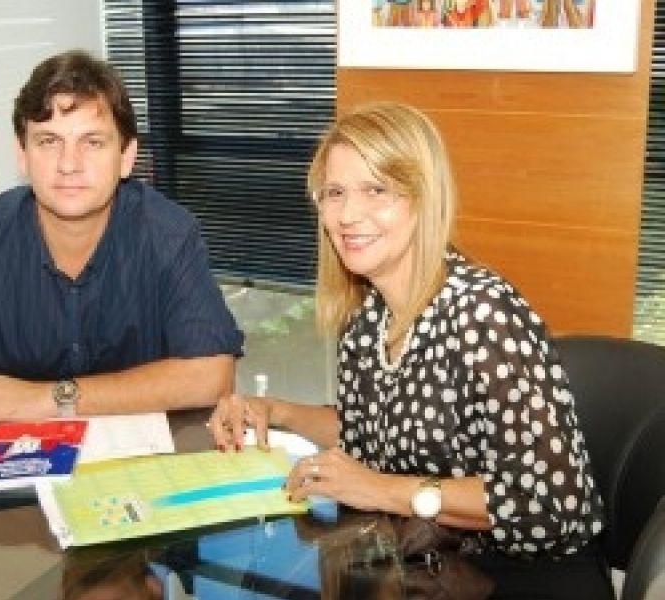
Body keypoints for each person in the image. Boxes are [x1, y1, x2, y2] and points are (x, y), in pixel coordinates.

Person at [208, 103, 614, 599]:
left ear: (423, 199)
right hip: (429, 565)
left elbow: (549, 503)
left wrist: (382, 489)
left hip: (522, 579)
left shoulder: (482, 313)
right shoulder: (368, 318)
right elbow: (368, 431)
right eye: (335, 193)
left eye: (376, 191)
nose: (348, 215)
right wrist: (276, 411)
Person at [0, 49, 243, 501]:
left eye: (93, 142)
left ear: (126, 157)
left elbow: (210, 375)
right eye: (48, 141)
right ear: (22, 154)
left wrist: (48, 398)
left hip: (144, 478)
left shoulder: (168, 234)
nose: (69, 164)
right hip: (13, 490)